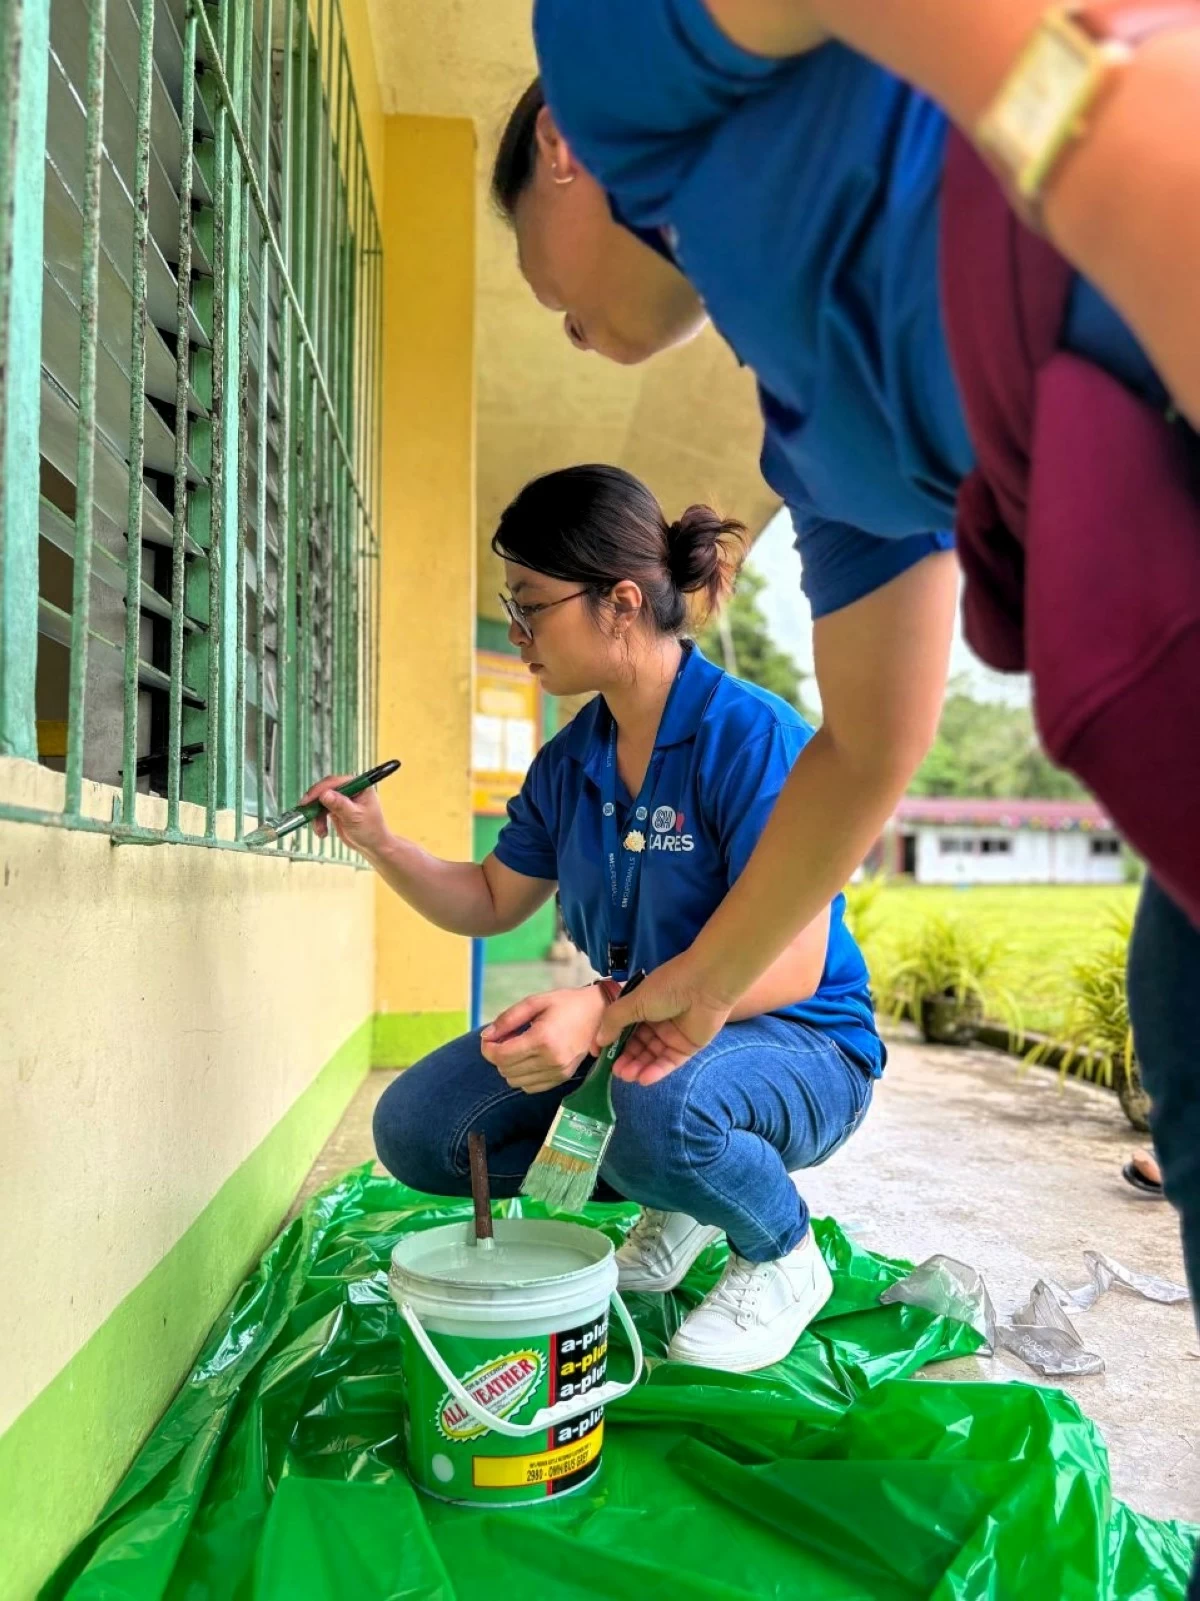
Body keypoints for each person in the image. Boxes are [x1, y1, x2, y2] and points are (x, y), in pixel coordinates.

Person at [492, 22, 1200, 1574]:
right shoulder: (824, 441)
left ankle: (769, 1249)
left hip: (1156, 220)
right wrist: (665, 997)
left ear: (559, 150)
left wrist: (1097, 142)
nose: (559, 323)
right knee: (1186, 1003)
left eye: (540, 285)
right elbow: (871, 753)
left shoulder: (612, 74)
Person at [301, 465, 883, 1373]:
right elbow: (492, 899)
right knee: (420, 1125)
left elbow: (796, 965)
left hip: (798, 1038)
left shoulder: (751, 738)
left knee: (653, 1102)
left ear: (618, 602)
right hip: (656, 1028)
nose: (520, 629)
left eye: (532, 604)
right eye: (513, 602)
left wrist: (602, 1013)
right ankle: (683, 1194)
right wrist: (377, 840)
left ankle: (780, 1250)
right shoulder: (573, 760)